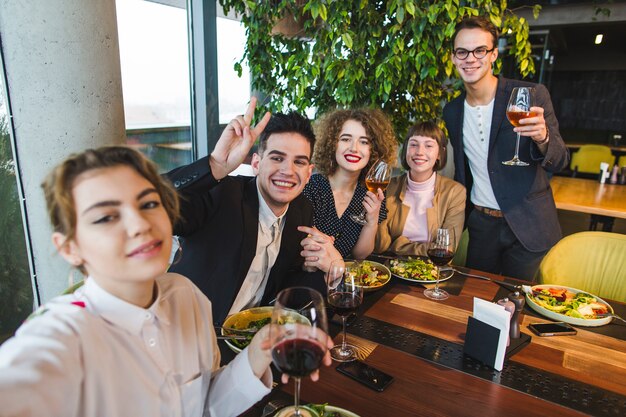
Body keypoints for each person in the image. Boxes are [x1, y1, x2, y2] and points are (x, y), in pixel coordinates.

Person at [0, 146, 333, 416]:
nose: (140, 224)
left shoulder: (186, 295)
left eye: (148, 203)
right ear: (70, 248)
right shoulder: (62, 337)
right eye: (106, 217)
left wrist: (260, 351)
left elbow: (206, 405)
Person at [167, 98, 342, 324]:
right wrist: (214, 165)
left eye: (299, 162)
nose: (288, 171)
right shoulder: (223, 194)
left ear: (309, 173)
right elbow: (148, 207)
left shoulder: (301, 211)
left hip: (248, 340)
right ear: (257, 164)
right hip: (186, 333)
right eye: (277, 158)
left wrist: (331, 270)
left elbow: (286, 288)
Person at [442, 16, 569, 280]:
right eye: (462, 52)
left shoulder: (530, 95)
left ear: (493, 55)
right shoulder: (452, 111)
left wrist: (543, 138)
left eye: (480, 50)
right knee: (476, 301)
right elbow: (463, 171)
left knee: (516, 307)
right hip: (482, 225)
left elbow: (560, 161)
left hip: (528, 225)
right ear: (453, 58)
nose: (470, 58)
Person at [302, 108, 398, 260]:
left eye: (364, 142)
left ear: (373, 150)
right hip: (309, 277)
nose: (354, 148)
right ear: (332, 144)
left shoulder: (372, 192)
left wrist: (372, 221)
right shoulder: (312, 187)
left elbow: (359, 255)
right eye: (346, 139)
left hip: (348, 278)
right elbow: (303, 250)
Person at [375, 121, 466, 256]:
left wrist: (398, 245)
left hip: (431, 270)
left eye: (428, 145)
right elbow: (379, 246)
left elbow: (446, 250)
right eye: (413, 145)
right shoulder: (387, 187)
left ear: (440, 154)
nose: (419, 152)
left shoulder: (454, 192)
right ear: (406, 149)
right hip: (389, 267)